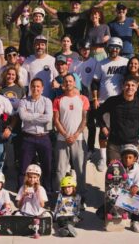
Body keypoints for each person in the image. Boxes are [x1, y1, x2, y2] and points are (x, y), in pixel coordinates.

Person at [92, 37, 128, 171]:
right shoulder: (101, 63)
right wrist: (95, 98)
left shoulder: (125, 62)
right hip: (104, 101)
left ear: (120, 49)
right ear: (108, 48)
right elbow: (95, 82)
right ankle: (102, 157)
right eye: (112, 47)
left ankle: (121, 155)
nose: (114, 50)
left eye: (117, 48)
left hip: (121, 102)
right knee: (103, 131)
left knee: (120, 130)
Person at [53, 73, 89, 203]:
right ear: (63, 84)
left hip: (78, 139)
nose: (68, 83)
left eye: (70, 81)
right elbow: (56, 120)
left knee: (80, 170)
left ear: (74, 82)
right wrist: (66, 135)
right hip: (62, 140)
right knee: (60, 170)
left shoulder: (83, 99)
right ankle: (59, 199)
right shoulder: (58, 100)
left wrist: (75, 135)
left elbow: (84, 119)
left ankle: (81, 198)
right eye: (66, 81)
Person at [96, 77, 139, 165]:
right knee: (115, 174)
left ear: (136, 88)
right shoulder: (112, 101)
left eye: (133, 85)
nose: (130, 87)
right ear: (123, 86)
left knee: (129, 174)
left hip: (132, 143)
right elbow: (98, 113)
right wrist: (103, 127)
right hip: (114, 144)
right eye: (127, 85)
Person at [18, 78, 53, 193]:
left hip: (44, 137)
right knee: (24, 167)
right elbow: (23, 116)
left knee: (47, 166)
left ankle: (47, 191)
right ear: (30, 88)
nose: (35, 88)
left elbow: (48, 117)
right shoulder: (24, 101)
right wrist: (39, 115)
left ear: (42, 89)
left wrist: (31, 116)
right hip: (28, 137)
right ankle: (22, 192)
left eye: (38, 86)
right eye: (33, 86)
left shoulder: (47, 101)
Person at [70, 39, 100, 158]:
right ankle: (79, 146)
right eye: (83, 49)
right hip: (78, 97)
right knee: (78, 123)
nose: (85, 51)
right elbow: (71, 78)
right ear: (79, 50)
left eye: (87, 49)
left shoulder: (95, 62)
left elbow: (96, 80)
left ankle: (91, 148)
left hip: (90, 97)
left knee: (90, 124)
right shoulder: (74, 63)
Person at [41, 0, 108, 51]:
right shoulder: (65, 15)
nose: (74, 6)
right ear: (70, 5)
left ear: (80, 6)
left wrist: (103, 2)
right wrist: (44, 5)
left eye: (76, 4)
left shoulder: (84, 15)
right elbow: (54, 12)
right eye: (73, 4)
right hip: (67, 46)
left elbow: (96, 6)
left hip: (80, 47)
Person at [22, 35, 58, 99]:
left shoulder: (52, 60)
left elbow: (57, 78)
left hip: (49, 98)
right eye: (37, 44)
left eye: (42, 44)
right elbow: (23, 81)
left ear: (45, 46)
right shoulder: (28, 60)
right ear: (34, 46)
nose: (40, 47)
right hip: (32, 98)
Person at [120, 144, 139, 233]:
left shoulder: (138, 170)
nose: (127, 160)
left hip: (131, 196)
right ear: (121, 157)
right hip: (119, 196)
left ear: (135, 159)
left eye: (130, 157)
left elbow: (138, 182)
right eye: (125, 157)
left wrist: (135, 187)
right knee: (100, 213)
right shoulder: (117, 168)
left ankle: (134, 221)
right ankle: (119, 216)